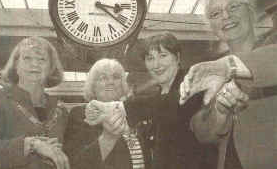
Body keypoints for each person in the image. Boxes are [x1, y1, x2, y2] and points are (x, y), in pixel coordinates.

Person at [84, 33, 249, 169]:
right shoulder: (159, 92)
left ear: (177, 57)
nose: (156, 65)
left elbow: (175, 104)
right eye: (150, 58)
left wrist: (120, 107)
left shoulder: (192, 80)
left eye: (163, 56)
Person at [180, 0, 277, 169]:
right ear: (213, 28)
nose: (226, 15)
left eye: (233, 7)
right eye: (216, 13)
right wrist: (220, 112)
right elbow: (202, 132)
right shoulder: (207, 73)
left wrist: (228, 66)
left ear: (250, 12)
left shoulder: (270, 45)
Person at [0, 37, 70, 169]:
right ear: (16, 65)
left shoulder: (61, 111)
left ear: (51, 68)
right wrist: (31, 145)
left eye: (42, 59)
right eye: (27, 58)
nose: (34, 64)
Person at [63, 59, 152, 169]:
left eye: (116, 77)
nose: (111, 82)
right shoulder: (81, 114)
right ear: (93, 86)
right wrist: (109, 137)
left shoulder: (131, 112)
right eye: (103, 78)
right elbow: (77, 163)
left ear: (123, 84)